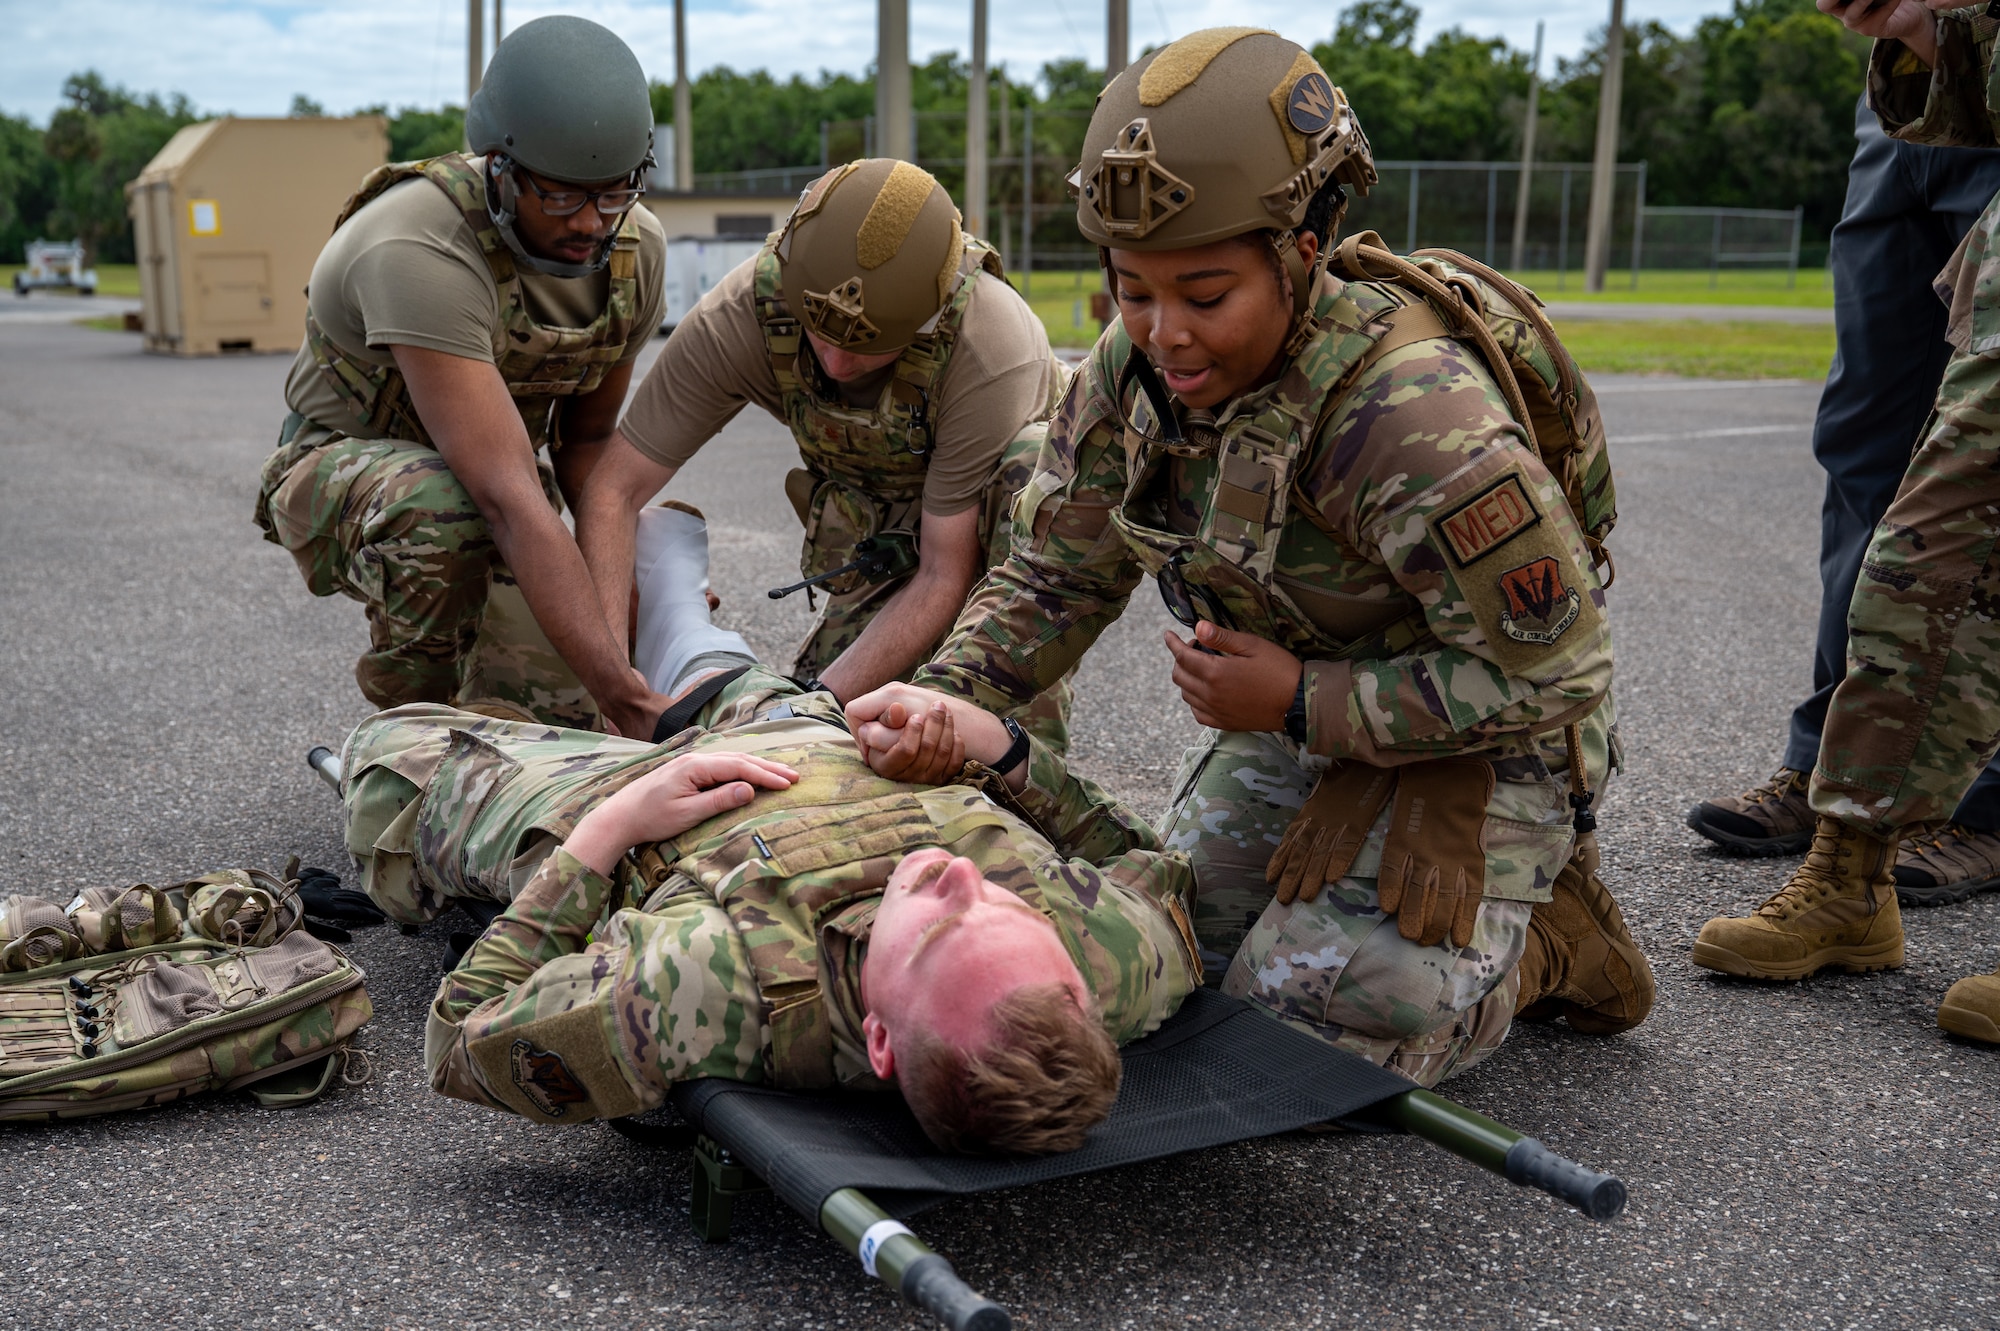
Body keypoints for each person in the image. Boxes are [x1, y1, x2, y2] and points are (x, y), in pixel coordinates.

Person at [858, 28, 1654, 1085]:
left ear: (1303, 250)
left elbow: (1558, 673)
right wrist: (936, 708)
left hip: (1481, 727)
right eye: (1130, 289)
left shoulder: (1413, 419)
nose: (1162, 332)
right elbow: (1056, 576)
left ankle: (1553, 943)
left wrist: (1302, 701)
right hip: (1287, 710)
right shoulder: (1128, 377)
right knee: (1180, 956)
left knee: (1313, 1034)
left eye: (1204, 293)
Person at [338, 505, 1199, 1149]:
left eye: (938, 929)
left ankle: (593, 686)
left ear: (877, 1038)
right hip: (826, 731)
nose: (957, 875)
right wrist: (1000, 748)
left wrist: (611, 826)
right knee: (733, 676)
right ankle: (674, 622)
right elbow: (1148, 865)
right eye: (1014, 910)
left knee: (383, 761)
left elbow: (459, 1037)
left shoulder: (707, 989)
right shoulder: (1107, 963)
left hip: (642, 800)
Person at [1693, 0, 2000, 1043]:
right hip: (1932, 82)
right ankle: (1845, 847)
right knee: (1896, 497)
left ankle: (1976, 805)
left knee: (1964, 512)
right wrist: (1925, 32)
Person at [254, 16, 672, 736]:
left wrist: (626, 607)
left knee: (562, 710)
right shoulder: (420, 242)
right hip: (350, 477)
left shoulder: (635, 253)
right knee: (444, 509)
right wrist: (629, 700)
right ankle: (412, 734)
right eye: (563, 195)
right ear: (500, 168)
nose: (592, 223)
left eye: (614, 193)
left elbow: (591, 445)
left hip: (494, 477)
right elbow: (502, 495)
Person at [573, 158, 1071, 740]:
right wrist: (614, 688)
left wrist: (809, 710)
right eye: (819, 329)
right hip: (888, 529)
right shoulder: (749, 310)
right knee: (828, 732)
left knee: (930, 732)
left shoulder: (990, 345)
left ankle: (1021, 749)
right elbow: (613, 490)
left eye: (868, 346)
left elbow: (946, 573)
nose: (835, 362)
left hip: (1005, 533)